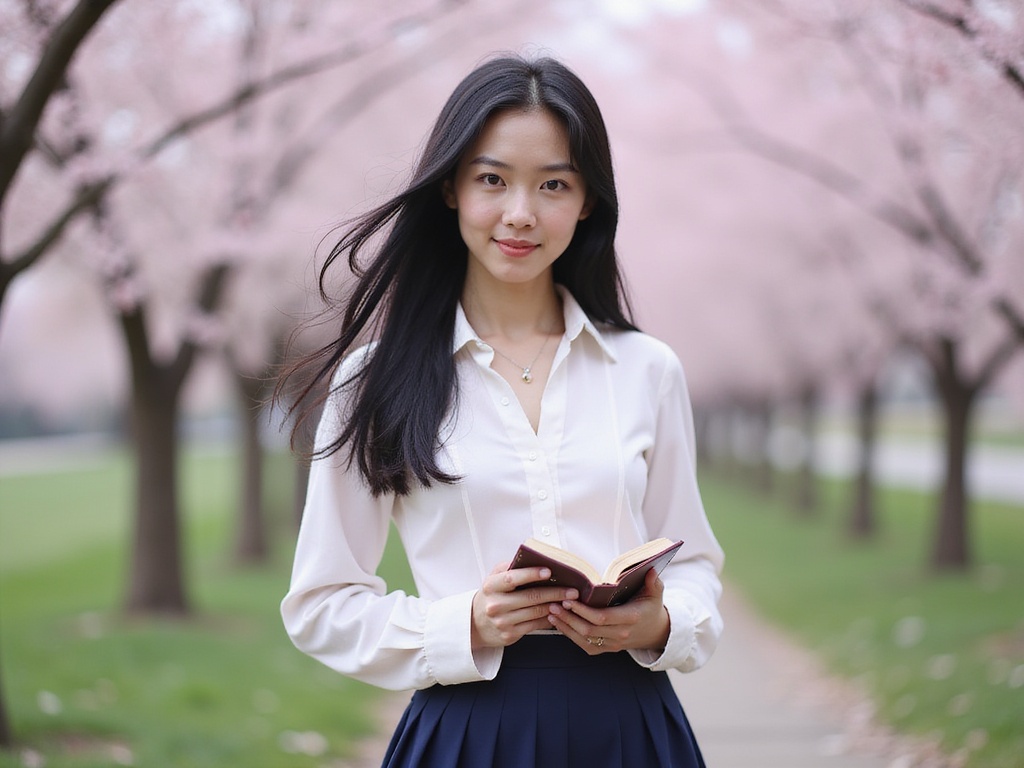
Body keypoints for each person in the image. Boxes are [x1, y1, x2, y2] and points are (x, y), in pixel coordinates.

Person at [278, 53, 724, 767]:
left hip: (630, 728)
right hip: (467, 733)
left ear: (588, 202)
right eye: (492, 179)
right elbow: (321, 604)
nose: (521, 213)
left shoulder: (647, 370)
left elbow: (694, 561)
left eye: (554, 184)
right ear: (450, 187)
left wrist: (661, 621)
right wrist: (466, 623)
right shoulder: (374, 381)